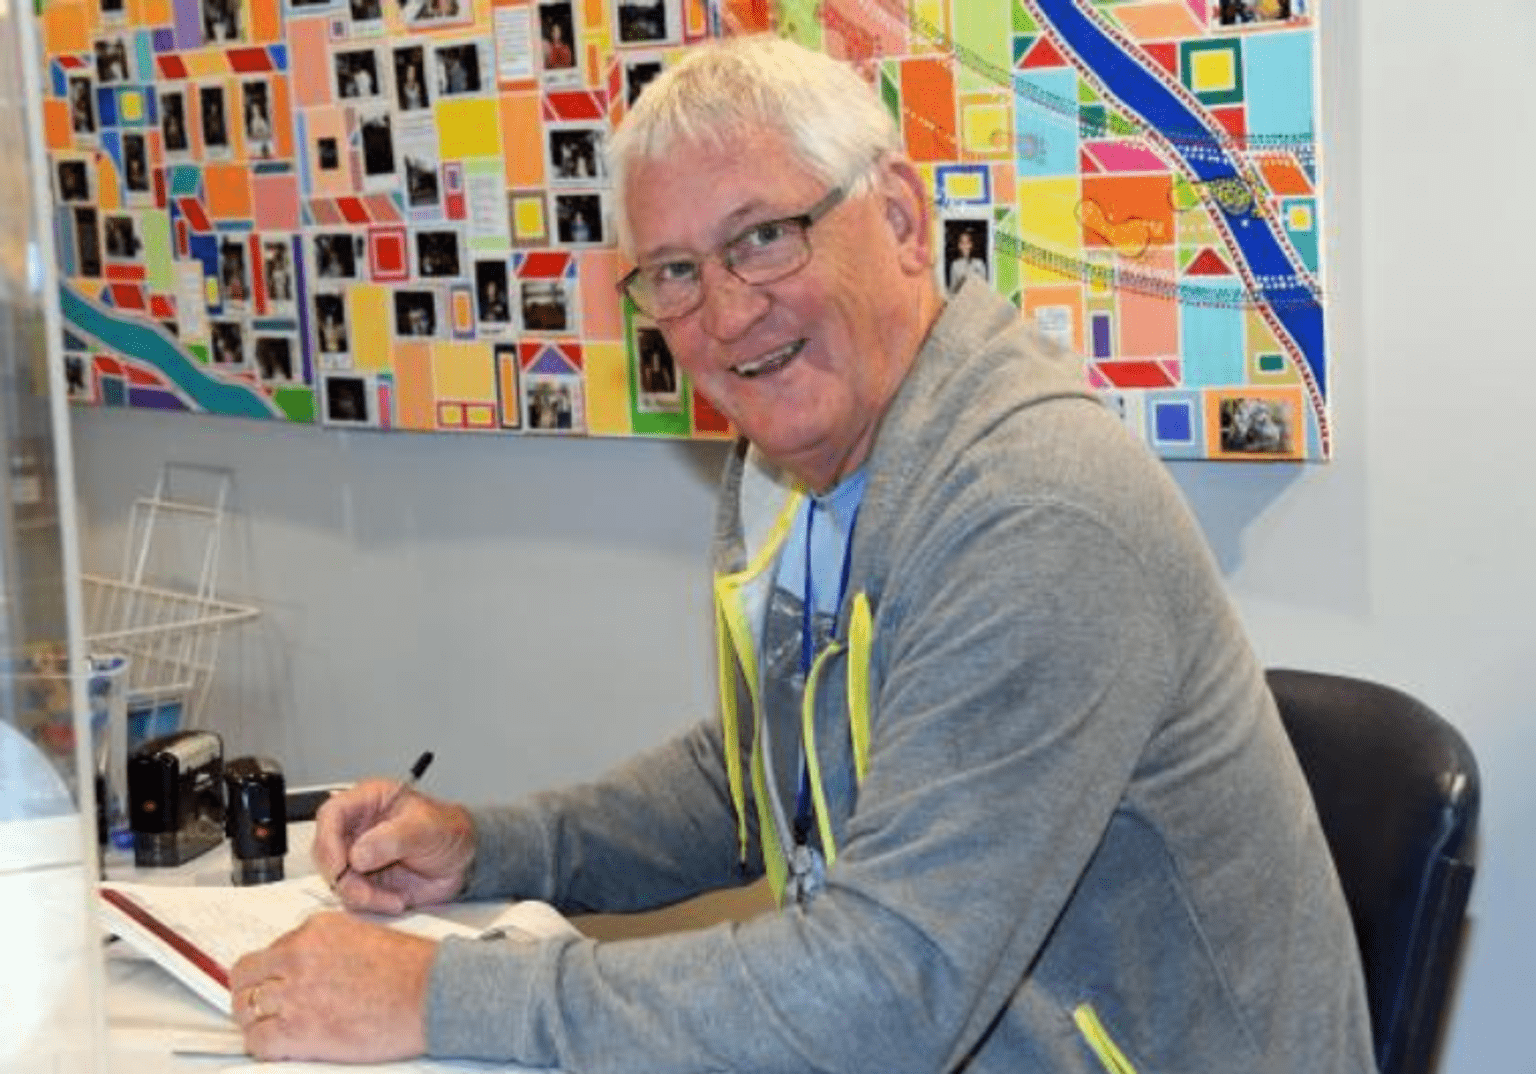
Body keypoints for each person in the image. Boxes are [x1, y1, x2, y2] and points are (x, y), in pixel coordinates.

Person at [229, 34, 1375, 1074]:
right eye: (675, 272)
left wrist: (446, 994)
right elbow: (757, 777)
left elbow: (889, 989)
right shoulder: (799, 460)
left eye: (763, 239)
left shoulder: (1037, 510)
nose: (727, 317)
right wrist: (493, 845)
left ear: (902, 220)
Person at [946, 225, 987, 295]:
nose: (964, 245)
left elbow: (985, 287)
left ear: (971, 244)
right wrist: (961, 281)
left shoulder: (979, 263)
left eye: (967, 243)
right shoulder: (955, 264)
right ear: (959, 245)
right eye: (962, 243)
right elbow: (952, 290)